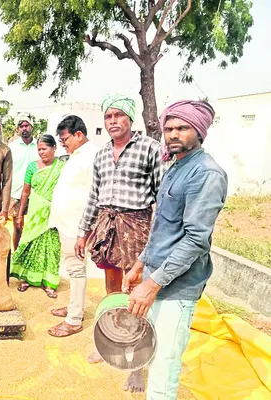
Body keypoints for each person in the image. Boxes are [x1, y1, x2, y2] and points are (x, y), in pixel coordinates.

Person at [123, 100, 227, 400]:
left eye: (182, 128)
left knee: (163, 370)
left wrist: (151, 285)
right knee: (150, 350)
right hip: (156, 280)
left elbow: (195, 240)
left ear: (199, 130)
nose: (173, 134)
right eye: (169, 128)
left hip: (176, 288)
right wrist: (140, 265)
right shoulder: (175, 166)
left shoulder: (206, 174)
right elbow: (162, 228)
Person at [74, 93, 165, 393]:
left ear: (130, 118)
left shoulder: (150, 149)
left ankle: (137, 365)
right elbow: (93, 195)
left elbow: (162, 196)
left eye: (118, 115)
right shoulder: (101, 154)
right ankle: (111, 343)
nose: (113, 121)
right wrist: (83, 231)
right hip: (106, 226)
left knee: (135, 295)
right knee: (112, 291)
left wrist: (156, 238)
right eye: (108, 116)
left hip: (137, 228)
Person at [47, 115, 99, 337]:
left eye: (64, 139)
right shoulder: (75, 155)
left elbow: (95, 195)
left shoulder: (92, 156)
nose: (63, 144)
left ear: (79, 135)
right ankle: (73, 307)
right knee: (71, 268)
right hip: (66, 223)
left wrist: (84, 230)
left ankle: (74, 319)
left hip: (77, 226)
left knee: (76, 269)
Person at [10, 135, 64, 298]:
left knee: (50, 246)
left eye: (44, 148)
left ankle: (48, 282)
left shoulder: (61, 167)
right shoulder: (32, 167)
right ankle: (27, 278)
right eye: (39, 149)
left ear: (54, 148)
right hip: (35, 212)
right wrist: (20, 215)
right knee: (29, 242)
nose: (41, 152)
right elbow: (25, 192)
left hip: (53, 213)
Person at [8, 113, 39, 249]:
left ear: (32, 127)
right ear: (17, 129)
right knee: (18, 227)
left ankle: (30, 259)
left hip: (36, 194)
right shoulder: (12, 147)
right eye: (21, 126)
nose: (24, 128)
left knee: (34, 228)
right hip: (16, 193)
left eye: (27, 125)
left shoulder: (40, 145)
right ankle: (16, 257)